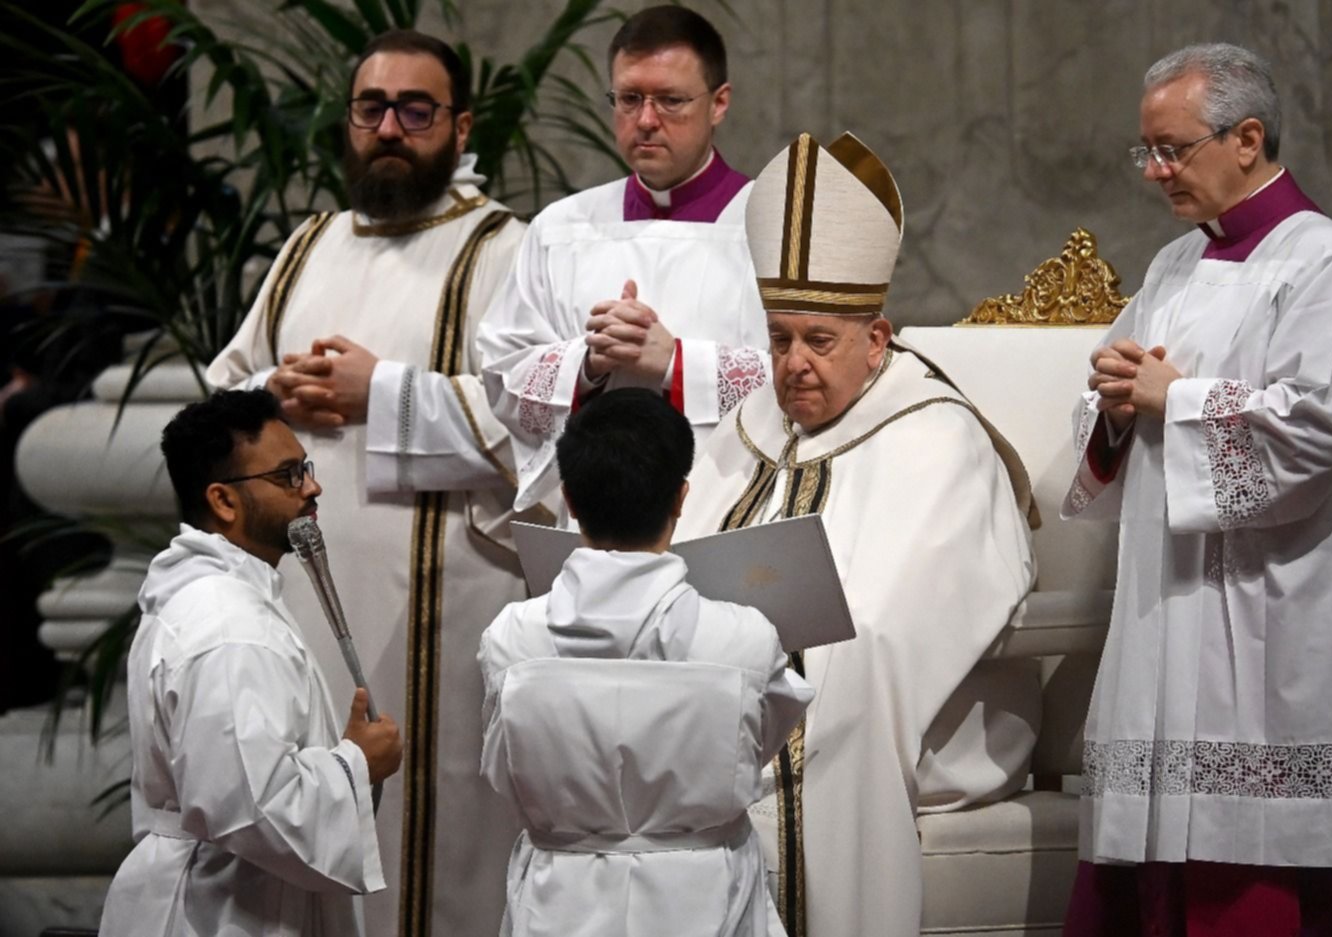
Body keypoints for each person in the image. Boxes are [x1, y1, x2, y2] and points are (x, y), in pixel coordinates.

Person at [1060, 43, 1332, 937]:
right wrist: (1117, 404)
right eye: (1145, 151)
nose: (1155, 171)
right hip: (1174, 608)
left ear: (1246, 137)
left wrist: (1176, 398)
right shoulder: (1170, 267)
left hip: (1291, 614)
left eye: (1172, 149)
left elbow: (1319, 426)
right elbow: (1112, 409)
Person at [206, 29, 540, 937]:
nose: (389, 127)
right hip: (296, 615)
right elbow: (219, 390)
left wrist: (382, 393)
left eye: (415, 110)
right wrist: (269, 397)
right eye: (371, 108)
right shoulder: (307, 245)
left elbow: (539, 422)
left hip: (444, 620)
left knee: (435, 865)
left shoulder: (505, 251)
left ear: (459, 125)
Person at [676, 132, 1042, 937]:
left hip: (926, 728)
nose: (794, 366)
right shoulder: (750, 423)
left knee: (845, 665)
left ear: (877, 341)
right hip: (747, 714)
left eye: (820, 340)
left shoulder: (937, 434)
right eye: (779, 340)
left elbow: (889, 623)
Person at [478, 388, 812, 937]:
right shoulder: (742, 638)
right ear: (681, 497)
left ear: (571, 499)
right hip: (707, 901)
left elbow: (500, 768)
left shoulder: (512, 638)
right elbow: (763, 740)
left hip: (560, 900)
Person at [100, 389, 401, 936]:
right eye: (288, 475)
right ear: (223, 500)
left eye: (304, 469)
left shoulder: (222, 599)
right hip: (223, 908)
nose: (313, 487)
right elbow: (248, 807)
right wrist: (358, 762)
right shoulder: (226, 625)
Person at [477, 5, 770, 512]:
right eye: (629, 99)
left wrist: (675, 363)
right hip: (596, 520)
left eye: (671, 101)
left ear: (719, 103)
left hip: (731, 509)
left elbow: (813, 375)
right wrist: (588, 361)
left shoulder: (771, 225)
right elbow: (502, 372)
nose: (647, 121)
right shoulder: (562, 228)